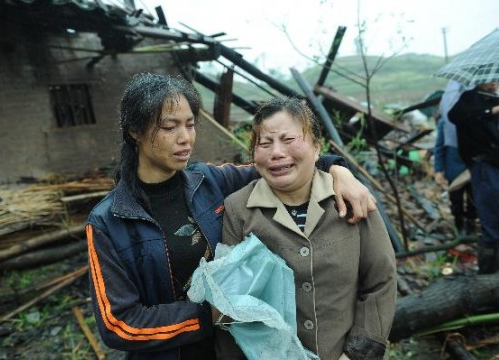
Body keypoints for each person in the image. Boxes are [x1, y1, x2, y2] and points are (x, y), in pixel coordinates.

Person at [85, 73, 377, 360]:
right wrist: (208, 315)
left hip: (232, 349)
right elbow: (119, 325)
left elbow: (275, 166)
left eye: (190, 125)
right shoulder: (108, 220)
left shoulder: (209, 181)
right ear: (135, 130)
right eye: (169, 127)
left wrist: (338, 169)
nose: (185, 138)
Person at [220, 96, 397, 360]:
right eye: (264, 143)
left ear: (317, 148)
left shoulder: (351, 198)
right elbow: (233, 303)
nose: (277, 152)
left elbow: (380, 282)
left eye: (289, 140)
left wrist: (357, 354)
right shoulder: (239, 209)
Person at [448, 81, 499, 274]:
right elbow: (456, 116)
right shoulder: (469, 99)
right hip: (483, 163)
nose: (495, 83)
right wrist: (491, 111)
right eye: (492, 79)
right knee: (490, 214)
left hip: (494, 161)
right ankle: (489, 271)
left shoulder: (493, 98)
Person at [433, 115, 476, 234]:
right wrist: (438, 170)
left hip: (472, 169)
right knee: (456, 201)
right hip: (454, 171)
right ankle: (459, 225)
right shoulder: (445, 123)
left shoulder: (474, 119)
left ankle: (470, 226)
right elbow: (439, 148)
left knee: (474, 201)